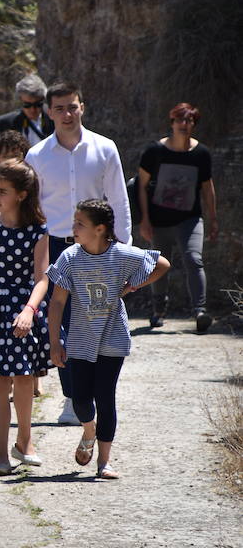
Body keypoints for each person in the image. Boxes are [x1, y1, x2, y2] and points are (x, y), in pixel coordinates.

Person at [25, 82, 132, 427]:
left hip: (98, 246)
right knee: (62, 321)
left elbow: (118, 201)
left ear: (82, 107)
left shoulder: (105, 148)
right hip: (57, 245)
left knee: (98, 320)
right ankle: (72, 397)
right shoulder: (37, 155)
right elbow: (33, 210)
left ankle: (95, 393)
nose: (67, 114)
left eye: (72, 107)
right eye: (59, 108)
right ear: (49, 112)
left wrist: (125, 252)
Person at [48, 199, 169, 479]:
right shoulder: (69, 257)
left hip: (113, 337)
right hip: (80, 338)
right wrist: (55, 342)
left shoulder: (122, 254)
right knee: (80, 400)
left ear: (100, 229)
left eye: (80, 223)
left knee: (105, 398)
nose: (74, 228)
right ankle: (88, 431)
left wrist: (132, 285)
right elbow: (57, 302)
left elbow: (162, 264)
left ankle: (104, 462)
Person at [0, 159, 52, 475]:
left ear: (21, 194)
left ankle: (24, 442)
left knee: (25, 377)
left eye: (3, 190)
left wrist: (29, 310)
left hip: (23, 306)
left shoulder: (38, 229)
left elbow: (42, 278)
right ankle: (1, 455)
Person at [137, 102, 217, 333]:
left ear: (194, 124)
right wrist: (144, 219)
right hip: (158, 221)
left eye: (189, 121)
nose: (184, 124)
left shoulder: (201, 154)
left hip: (189, 220)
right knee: (159, 265)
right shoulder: (154, 152)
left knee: (194, 258)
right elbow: (141, 186)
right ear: (172, 123)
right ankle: (158, 310)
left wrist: (213, 218)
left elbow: (207, 187)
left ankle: (200, 311)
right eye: (180, 120)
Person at [0, 74, 54, 145]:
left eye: (38, 104)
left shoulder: (54, 118)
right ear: (20, 101)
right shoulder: (5, 123)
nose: (32, 110)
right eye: (27, 105)